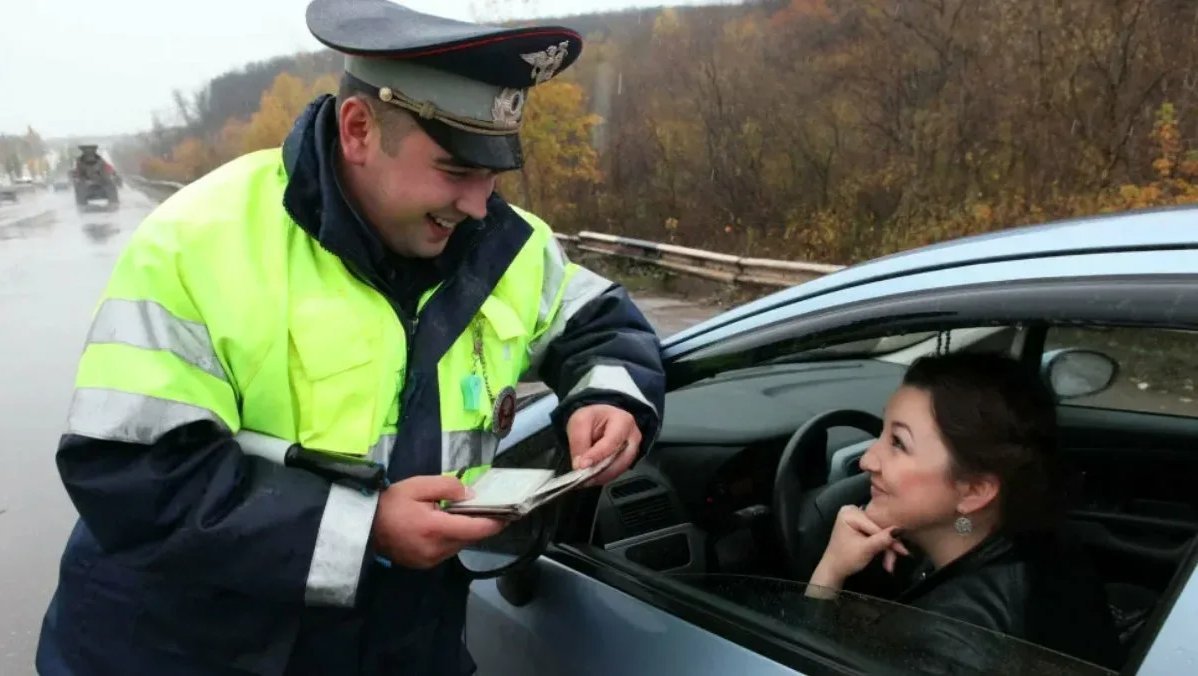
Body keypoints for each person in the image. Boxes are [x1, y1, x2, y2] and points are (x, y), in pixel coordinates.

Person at [35, 1, 665, 674]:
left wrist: (612, 397)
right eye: (456, 170)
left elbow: (603, 324)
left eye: (493, 173)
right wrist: (365, 532)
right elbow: (132, 474)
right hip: (187, 654)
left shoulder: (505, 248)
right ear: (360, 129)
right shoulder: (197, 243)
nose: (480, 204)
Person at [806, 352, 1121, 670]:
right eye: (883, 433)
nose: (867, 461)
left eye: (899, 443)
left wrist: (829, 573)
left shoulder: (948, 646)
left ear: (974, 492)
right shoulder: (1041, 544)